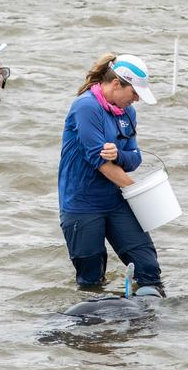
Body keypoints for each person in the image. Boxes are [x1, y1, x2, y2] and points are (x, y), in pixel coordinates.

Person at [57, 53, 165, 297]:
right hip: (82, 205)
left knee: (148, 269)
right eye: (134, 93)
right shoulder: (85, 107)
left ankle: (151, 324)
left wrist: (118, 155)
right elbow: (100, 163)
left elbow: (134, 158)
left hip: (115, 200)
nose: (136, 99)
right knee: (91, 282)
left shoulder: (127, 113)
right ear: (116, 84)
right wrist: (143, 194)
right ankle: (96, 331)